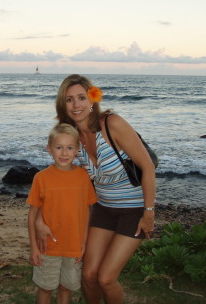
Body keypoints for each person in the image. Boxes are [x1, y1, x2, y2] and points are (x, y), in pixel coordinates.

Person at [36, 74, 156, 304]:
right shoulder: (71, 137)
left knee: (106, 278)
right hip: (103, 210)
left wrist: (149, 212)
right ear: (63, 104)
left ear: (92, 99)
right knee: (89, 276)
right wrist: (40, 218)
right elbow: (59, 182)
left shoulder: (112, 124)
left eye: (81, 97)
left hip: (134, 210)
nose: (76, 105)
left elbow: (148, 167)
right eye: (69, 99)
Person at [27, 123, 98, 304]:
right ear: (49, 149)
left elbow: (87, 211)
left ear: (77, 150)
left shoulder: (83, 177)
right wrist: (34, 247)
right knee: (45, 287)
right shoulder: (41, 178)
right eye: (59, 148)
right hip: (47, 248)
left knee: (66, 288)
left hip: (73, 246)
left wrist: (83, 241)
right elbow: (32, 215)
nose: (64, 153)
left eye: (69, 148)